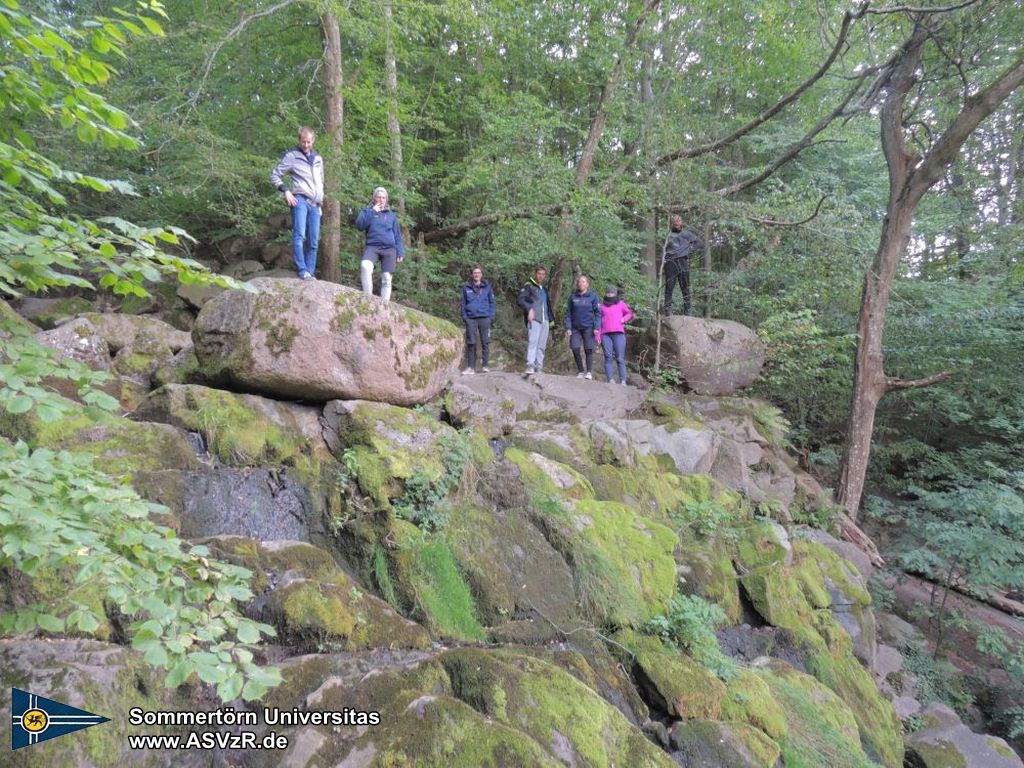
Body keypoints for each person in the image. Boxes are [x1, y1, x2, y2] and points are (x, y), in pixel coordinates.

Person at [270, 126, 325, 280]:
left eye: (308, 142)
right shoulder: (292, 156)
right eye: (303, 142)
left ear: (313, 141)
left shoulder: (318, 159)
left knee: (314, 241)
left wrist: (320, 203)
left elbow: (320, 182)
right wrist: (286, 191)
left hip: (315, 204)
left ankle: (310, 272)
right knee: (299, 236)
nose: (306, 145)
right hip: (299, 199)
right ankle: (302, 270)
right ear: (299, 140)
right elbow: (275, 175)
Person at [355, 187, 405, 302]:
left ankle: (384, 306)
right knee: (365, 266)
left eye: (383, 197)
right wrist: (373, 212)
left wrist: (400, 251)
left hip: (389, 249)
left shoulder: (391, 215)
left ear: (386, 200)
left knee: (387, 278)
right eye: (379, 197)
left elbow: (397, 235)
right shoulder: (367, 211)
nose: (381, 200)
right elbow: (359, 226)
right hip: (373, 247)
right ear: (374, 198)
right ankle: (367, 299)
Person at [516, 266, 553, 377]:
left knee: (542, 345)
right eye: (539, 274)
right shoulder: (529, 287)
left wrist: (551, 319)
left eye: (543, 274)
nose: (541, 276)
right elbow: (520, 300)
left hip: (545, 319)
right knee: (533, 342)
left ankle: (539, 367)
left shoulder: (544, 289)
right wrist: (529, 309)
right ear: (535, 274)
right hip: (534, 319)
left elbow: (548, 305)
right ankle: (530, 365)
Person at [663, 214, 703, 315]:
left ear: (681, 222)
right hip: (670, 262)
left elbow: (699, 242)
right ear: (671, 223)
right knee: (669, 286)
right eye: (674, 221)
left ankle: (687, 310)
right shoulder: (668, 235)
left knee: (685, 286)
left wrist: (690, 250)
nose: (676, 222)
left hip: (683, 261)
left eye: (678, 220)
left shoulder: (687, 234)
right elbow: (662, 248)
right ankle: (668, 309)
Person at [459, 266, 496, 375]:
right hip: (471, 318)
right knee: (471, 343)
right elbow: (462, 304)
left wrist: (491, 316)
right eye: (475, 273)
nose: (476, 275)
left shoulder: (487, 287)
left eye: (478, 273)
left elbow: (492, 302)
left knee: (485, 342)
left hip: (484, 318)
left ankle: (485, 365)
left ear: (481, 274)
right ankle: (471, 367)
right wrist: (465, 317)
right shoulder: (466, 287)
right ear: (472, 275)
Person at [565, 274, 600, 379]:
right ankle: (580, 370)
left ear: (587, 284)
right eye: (579, 282)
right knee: (575, 348)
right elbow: (568, 313)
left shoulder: (593, 297)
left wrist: (596, 327)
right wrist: (568, 327)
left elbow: (598, 313)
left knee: (588, 349)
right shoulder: (573, 297)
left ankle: (589, 372)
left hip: (588, 327)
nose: (581, 284)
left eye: (583, 282)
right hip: (575, 327)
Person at [598, 286, 634, 385]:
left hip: (618, 334)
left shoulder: (621, 304)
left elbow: (629, 313)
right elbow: (598, 322)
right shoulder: (601, 306)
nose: (610, 294)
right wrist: (598, 336)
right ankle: (610, 380)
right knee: (608, 357)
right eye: (608, 292)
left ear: (615, 294)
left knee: (620, 358)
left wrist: (623, 319)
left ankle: (623, 381)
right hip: (605, 335)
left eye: (612, 293)